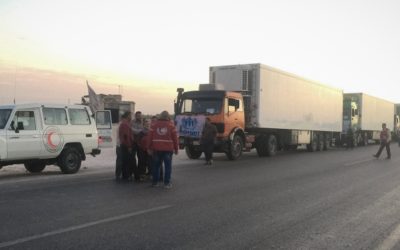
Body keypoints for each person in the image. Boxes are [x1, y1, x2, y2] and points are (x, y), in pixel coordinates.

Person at [148, 111, 178, 189]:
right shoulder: (171, 126)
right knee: (168, 167)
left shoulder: (153, 125)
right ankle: (166, 183)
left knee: (156, 166)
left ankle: (155, 183)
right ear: (168, 117)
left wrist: (149, 148)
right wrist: (176, 149)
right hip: (168, 149)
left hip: (156, 148)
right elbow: (175, 139)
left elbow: (149, 138)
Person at [119, 111, 136, 181]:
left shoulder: (126, 123)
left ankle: (126, 175)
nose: (131, 117)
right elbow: (126, 136)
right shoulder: (125, 124)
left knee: (126, 161)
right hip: (126, 145)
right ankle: (126, 176)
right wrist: (129, 146)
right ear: (127, 116)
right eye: (130, 115)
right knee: (127, 161)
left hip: (125, 144)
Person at [130, 111, 144, 181]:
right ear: (135, 116)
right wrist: (140, 131)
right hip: (133, 142)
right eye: (138, 116)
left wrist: (138, 131)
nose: (139, 117)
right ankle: (135, 173)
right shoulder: (132, 122)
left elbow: (144, 130)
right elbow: (132, 130)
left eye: (140, 116)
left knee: (141, 158)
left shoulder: (143, 122)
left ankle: (139, 173)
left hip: (140, 143)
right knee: (132, 158)